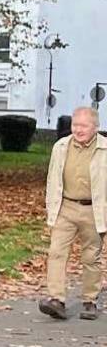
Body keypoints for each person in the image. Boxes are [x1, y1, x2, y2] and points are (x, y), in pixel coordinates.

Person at [41, 105, 106, 320]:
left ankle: (90, 301)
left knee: (91, 256)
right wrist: (51, 208)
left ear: (95, 127)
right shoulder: (60, 147)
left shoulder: (105, 150)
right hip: (66, 207)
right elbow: (52, 179)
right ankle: (56, 299)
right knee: (56, 252)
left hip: (94, 210)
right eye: (75, 125)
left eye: (83, 126)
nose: (78, 130)